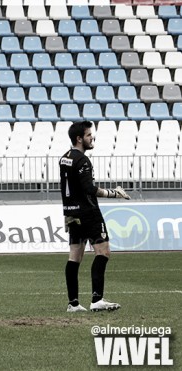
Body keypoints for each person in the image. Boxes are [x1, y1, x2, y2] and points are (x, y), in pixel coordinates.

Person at [60, 121, 131, 313]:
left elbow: (66, 189)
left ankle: (73, 303)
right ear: (79, 138)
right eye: (89, 135)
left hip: (72, 213)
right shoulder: (83, 161)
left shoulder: (64, 158)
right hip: (88, 212)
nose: (92, 138)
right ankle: (97, 300)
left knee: (75, 256)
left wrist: (67, 213)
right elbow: (89, 190)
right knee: (103, 251)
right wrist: (114, 193)